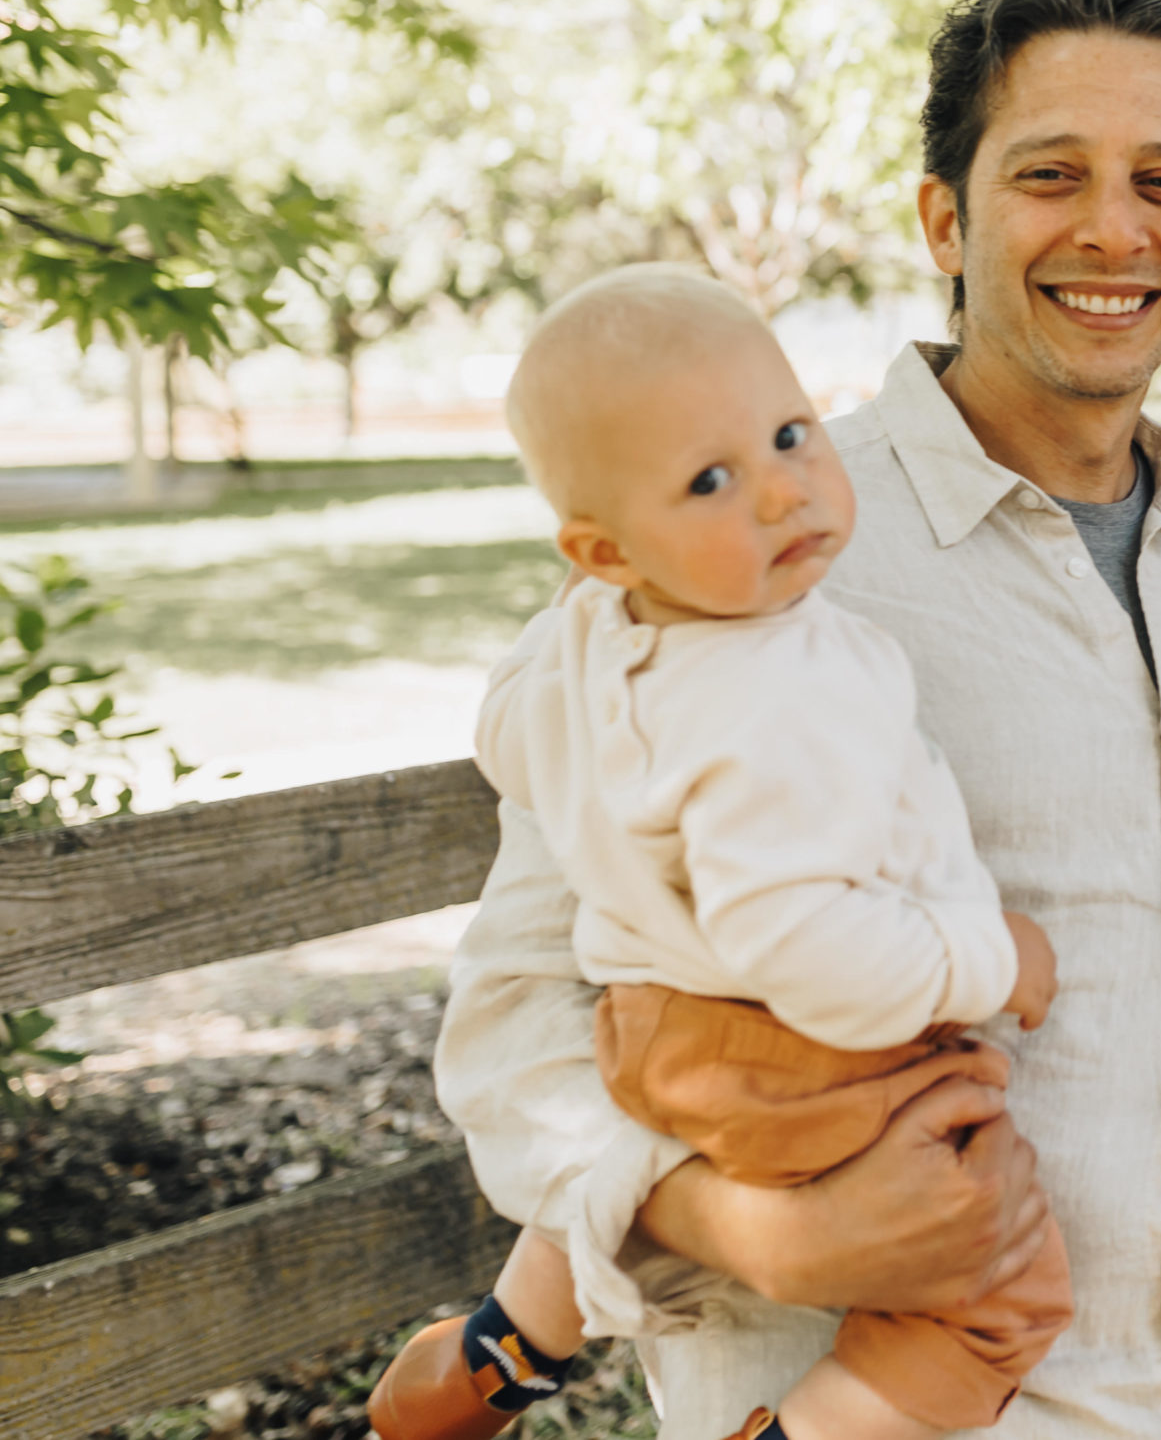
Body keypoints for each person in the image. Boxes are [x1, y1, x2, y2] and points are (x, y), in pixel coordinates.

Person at [430, 0, 1161, 1439]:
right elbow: (519, 1029)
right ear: (944, 219)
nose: (1113, 228)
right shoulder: (748, 556)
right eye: (1051, 173)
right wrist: (744, 1227)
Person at [368, 267, 1071, 1440]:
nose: (782, 493)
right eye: (709, 480)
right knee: (997, 1293)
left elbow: (506, 734)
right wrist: (992, 959)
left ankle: (496, 1354)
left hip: (659, 1034)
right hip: (804, 1048)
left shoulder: (595, 644)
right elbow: (800, 944)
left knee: (664, 1135)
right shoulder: (777, 691)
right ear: (603, 547)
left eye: (791, 435)